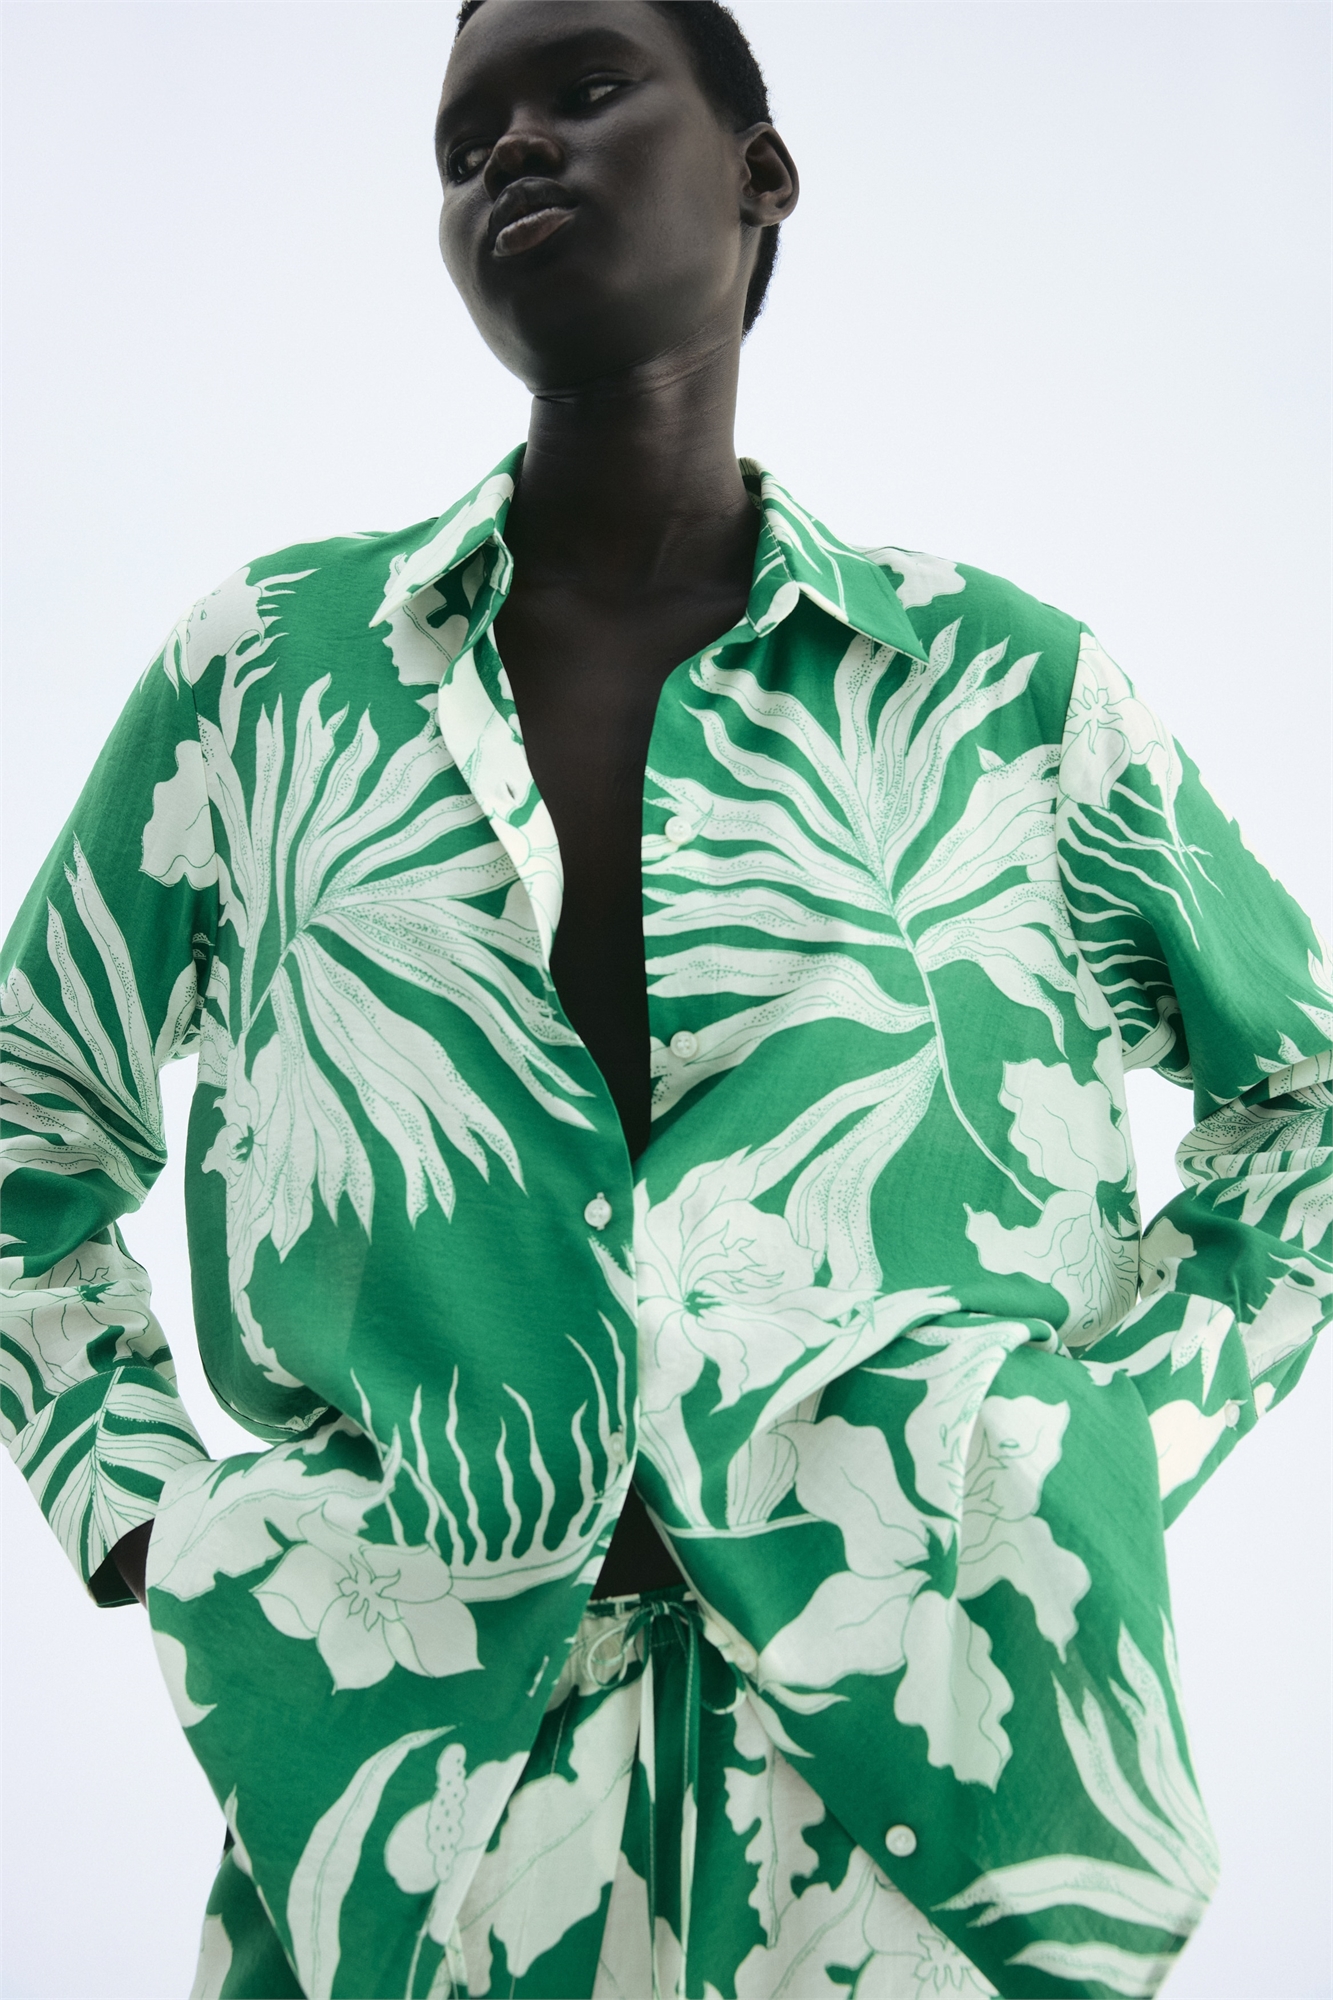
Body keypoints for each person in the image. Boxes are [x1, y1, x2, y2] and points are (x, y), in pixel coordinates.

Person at [2, 1, 1328, 1994]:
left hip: (933, 1766)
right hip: (403, 1780)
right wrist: (136, 1504)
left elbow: (1303, 1101)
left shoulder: (1000, 690)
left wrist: (1091, 1446)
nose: (512, 152)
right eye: (463, 141)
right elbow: (26, 1118)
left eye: (586, 88)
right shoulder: (267, 675)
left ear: (760, 174)